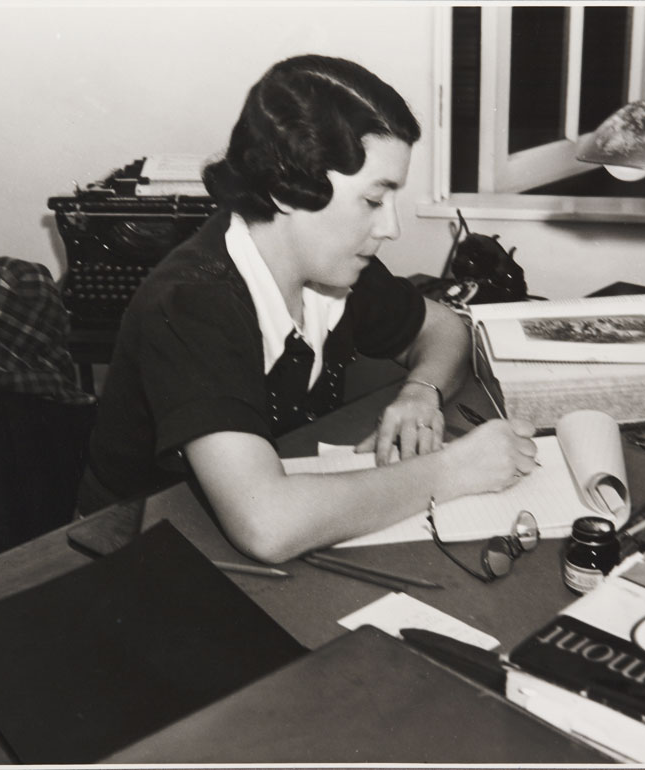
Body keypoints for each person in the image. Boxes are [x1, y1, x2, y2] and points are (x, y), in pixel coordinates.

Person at [79, 54, 538, 563]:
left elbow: (446, 329)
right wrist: (455, 470)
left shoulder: (330, 264)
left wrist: (420, 392)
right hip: (137, 544)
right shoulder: (192, 303)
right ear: (284, 191)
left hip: (264, 500)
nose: (391, 228)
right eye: (372, 201)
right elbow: (267, 524)